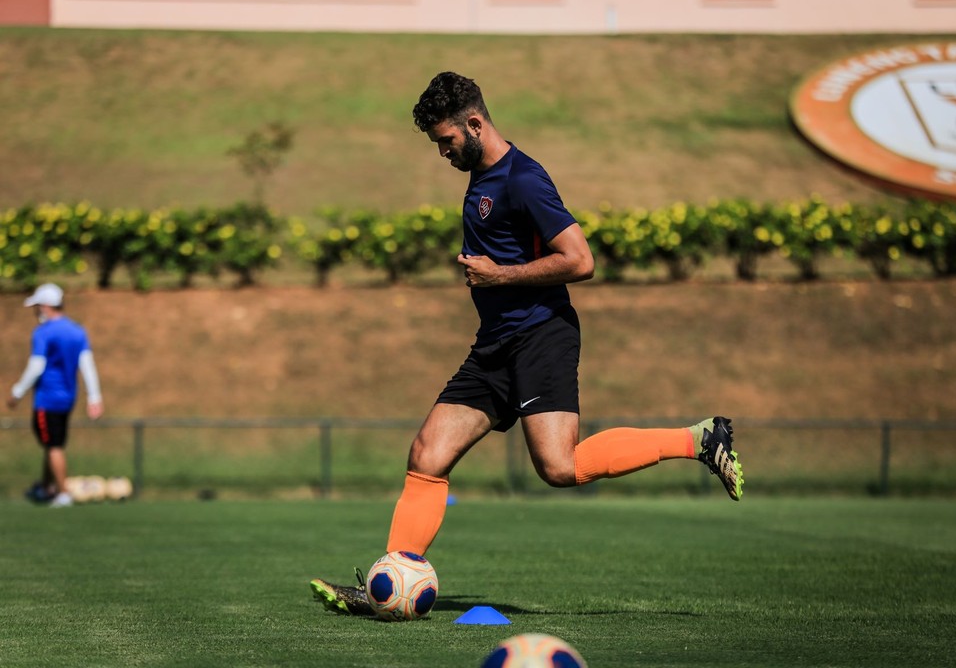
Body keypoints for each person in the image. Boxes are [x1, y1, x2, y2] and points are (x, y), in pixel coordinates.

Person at [310, 71, 743, 615]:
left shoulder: (523, 178)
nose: (443, 152)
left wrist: (500, 276)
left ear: (474, 123)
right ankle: (390, 583)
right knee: (427, 454)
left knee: (558, 468)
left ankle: (699, 439)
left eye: (446, 141)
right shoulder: (483, 176)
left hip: (541, 335)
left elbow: (580, 260)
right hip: (494, 344)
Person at [7, 283, 104, 508]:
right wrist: (94, 397)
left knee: (53, 446)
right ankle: (46, 487)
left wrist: (17, 393)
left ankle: (62, 493)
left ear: (46, 306)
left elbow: (36, 366)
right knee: (52, 444)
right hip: (68, 399)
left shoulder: (43, 332)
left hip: (47, 399)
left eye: (37, 306)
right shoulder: (77, 331)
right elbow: (87, 364)